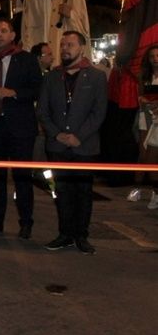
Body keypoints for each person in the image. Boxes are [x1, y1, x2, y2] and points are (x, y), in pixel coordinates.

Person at [38, 31, 107, 254]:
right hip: (57, 146)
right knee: (61, 191)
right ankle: (65, 233)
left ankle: (81, 236)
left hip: (84, 146)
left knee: (83, 193)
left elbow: (99, 112)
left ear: (82, 48)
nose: (65, 49)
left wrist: (79, 136)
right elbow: (42, 111)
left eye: (70, 44)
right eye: (62, 45)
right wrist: (57, 134)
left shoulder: (96, 77)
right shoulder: (51, 77)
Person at [107, 0, 158, 186]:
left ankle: (131, 174)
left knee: (133, 120)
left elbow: (137, 13)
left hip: (140, 46)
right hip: (141, 42)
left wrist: (126, 53)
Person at [0, 16, 42, 239]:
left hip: (20, 129)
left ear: (13, 35)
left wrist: (14, 93)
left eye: (3, 30)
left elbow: (38, 89)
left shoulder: (26, 59)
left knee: (22, 177)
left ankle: (26, 223)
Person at [128, 45, 158, 206]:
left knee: (153, 156)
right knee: (143, 154)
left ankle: (155, 192)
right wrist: (144, 100)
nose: (155, 59)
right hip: (145, 116)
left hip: (157, 118)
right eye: (152, 56)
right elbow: (139, 96)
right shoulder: (144, 76)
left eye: (157, 56)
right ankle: (137, 188)